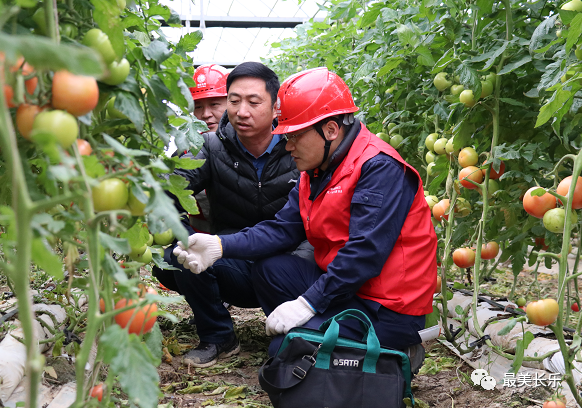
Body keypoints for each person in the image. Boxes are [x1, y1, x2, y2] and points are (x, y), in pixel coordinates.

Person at [172, 67, 438, 363]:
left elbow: (365, 253)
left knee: (284, 352)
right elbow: (281, 229)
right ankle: (329, 336)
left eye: (296, 136)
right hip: (348, 291)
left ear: (331, 130)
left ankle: (395, 350)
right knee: (270, 270)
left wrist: (308, 304)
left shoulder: (379, 168)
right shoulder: (316, 169)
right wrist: (219, 246)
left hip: (387, 307)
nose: (287, 146)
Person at [153, 62, 301, 367]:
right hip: (232, 261)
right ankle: (218, 335)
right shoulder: (210, 147)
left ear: (276, 108)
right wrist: (182, 232)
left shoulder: (298, 147)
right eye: (234, 101)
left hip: (288, 268)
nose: (241, 111)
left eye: (253, 102)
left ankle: (305, 326)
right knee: (180, 253)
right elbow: (169, 189)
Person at [187, 64, 230, 233]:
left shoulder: (249, 146)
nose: (205, 114)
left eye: (214, 104)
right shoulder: (187, 153)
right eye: (198, 106)